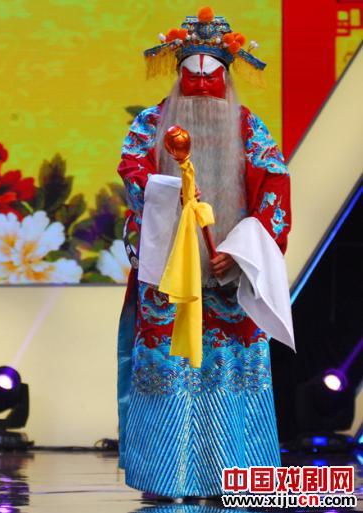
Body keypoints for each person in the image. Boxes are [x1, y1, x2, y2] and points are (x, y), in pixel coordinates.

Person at [116, 7, 292, 498]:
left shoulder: (248, 127)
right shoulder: (151, 123)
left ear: (227, 77)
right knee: (168, 370)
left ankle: (234, 480)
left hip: (227, 280)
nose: (199, 86)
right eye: (190, 74)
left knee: (231, 371)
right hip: (170, 278)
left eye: (210, 75)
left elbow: (274, 189)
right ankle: (166, 478)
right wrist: (170, 197)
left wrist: (239, 251)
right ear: (177, 76)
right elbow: (132, 173)